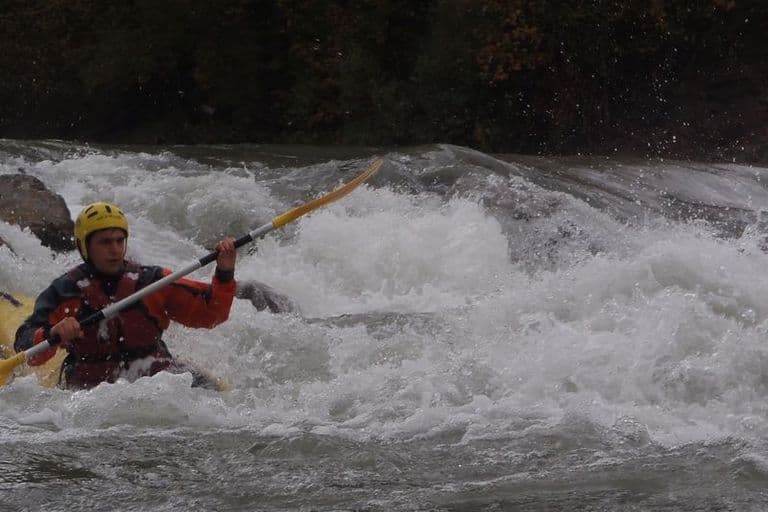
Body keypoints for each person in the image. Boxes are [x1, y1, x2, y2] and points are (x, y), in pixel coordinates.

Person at [14, 201, 237, 390]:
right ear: (85, 247)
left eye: (119, 241)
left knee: (212, 391)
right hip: (91, 389)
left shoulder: (153, 282)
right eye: (105, 242)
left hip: (159, 379)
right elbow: (26, 347)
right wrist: (52, 333)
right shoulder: (64, 292)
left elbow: (212, 314)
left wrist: (225, 272)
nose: (115, 249)